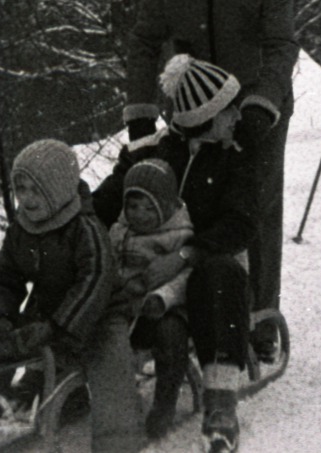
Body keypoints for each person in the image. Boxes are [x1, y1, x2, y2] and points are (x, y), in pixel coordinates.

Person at [123, 0, 298, 363]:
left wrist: (262, 105)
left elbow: (281, 44)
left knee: (253, 209)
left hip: (256, 109)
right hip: (194, 107)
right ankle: (194, 310)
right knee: (188, 204)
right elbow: (143, 40)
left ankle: (259, 316)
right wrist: (140, 116)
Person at [0, 139, 142, 453]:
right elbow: (5, 278)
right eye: (20, 189)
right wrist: (0, 318)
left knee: (108, 361)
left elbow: (95, 280)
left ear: (59, 189)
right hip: (47, 312)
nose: (26, 199)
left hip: (100, 314)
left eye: (36, 190)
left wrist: (58, 327)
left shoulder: (85, 229)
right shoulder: (21, 230)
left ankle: (117, 442)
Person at [96, 54, 259, 453]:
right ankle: (80, 376)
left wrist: (186, 254)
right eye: (228, 110)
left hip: (207, 268)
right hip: (144, 268)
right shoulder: (151, 151)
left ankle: (220, 403)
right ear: (205, 116)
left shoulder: (234, 158)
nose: (237, 117)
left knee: (217, 275)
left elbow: (240, 224)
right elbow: (104, 202)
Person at [107, 158, 194, 442]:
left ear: (166, 206)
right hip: (125, 307)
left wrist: (162, 297)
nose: (139, 215)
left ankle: (164, 404)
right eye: (132, 206)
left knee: (170, 337)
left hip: (164, 309)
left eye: (148, 207)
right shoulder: (118, 232)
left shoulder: (178, 236)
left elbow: (187, 277)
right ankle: (90, 393)